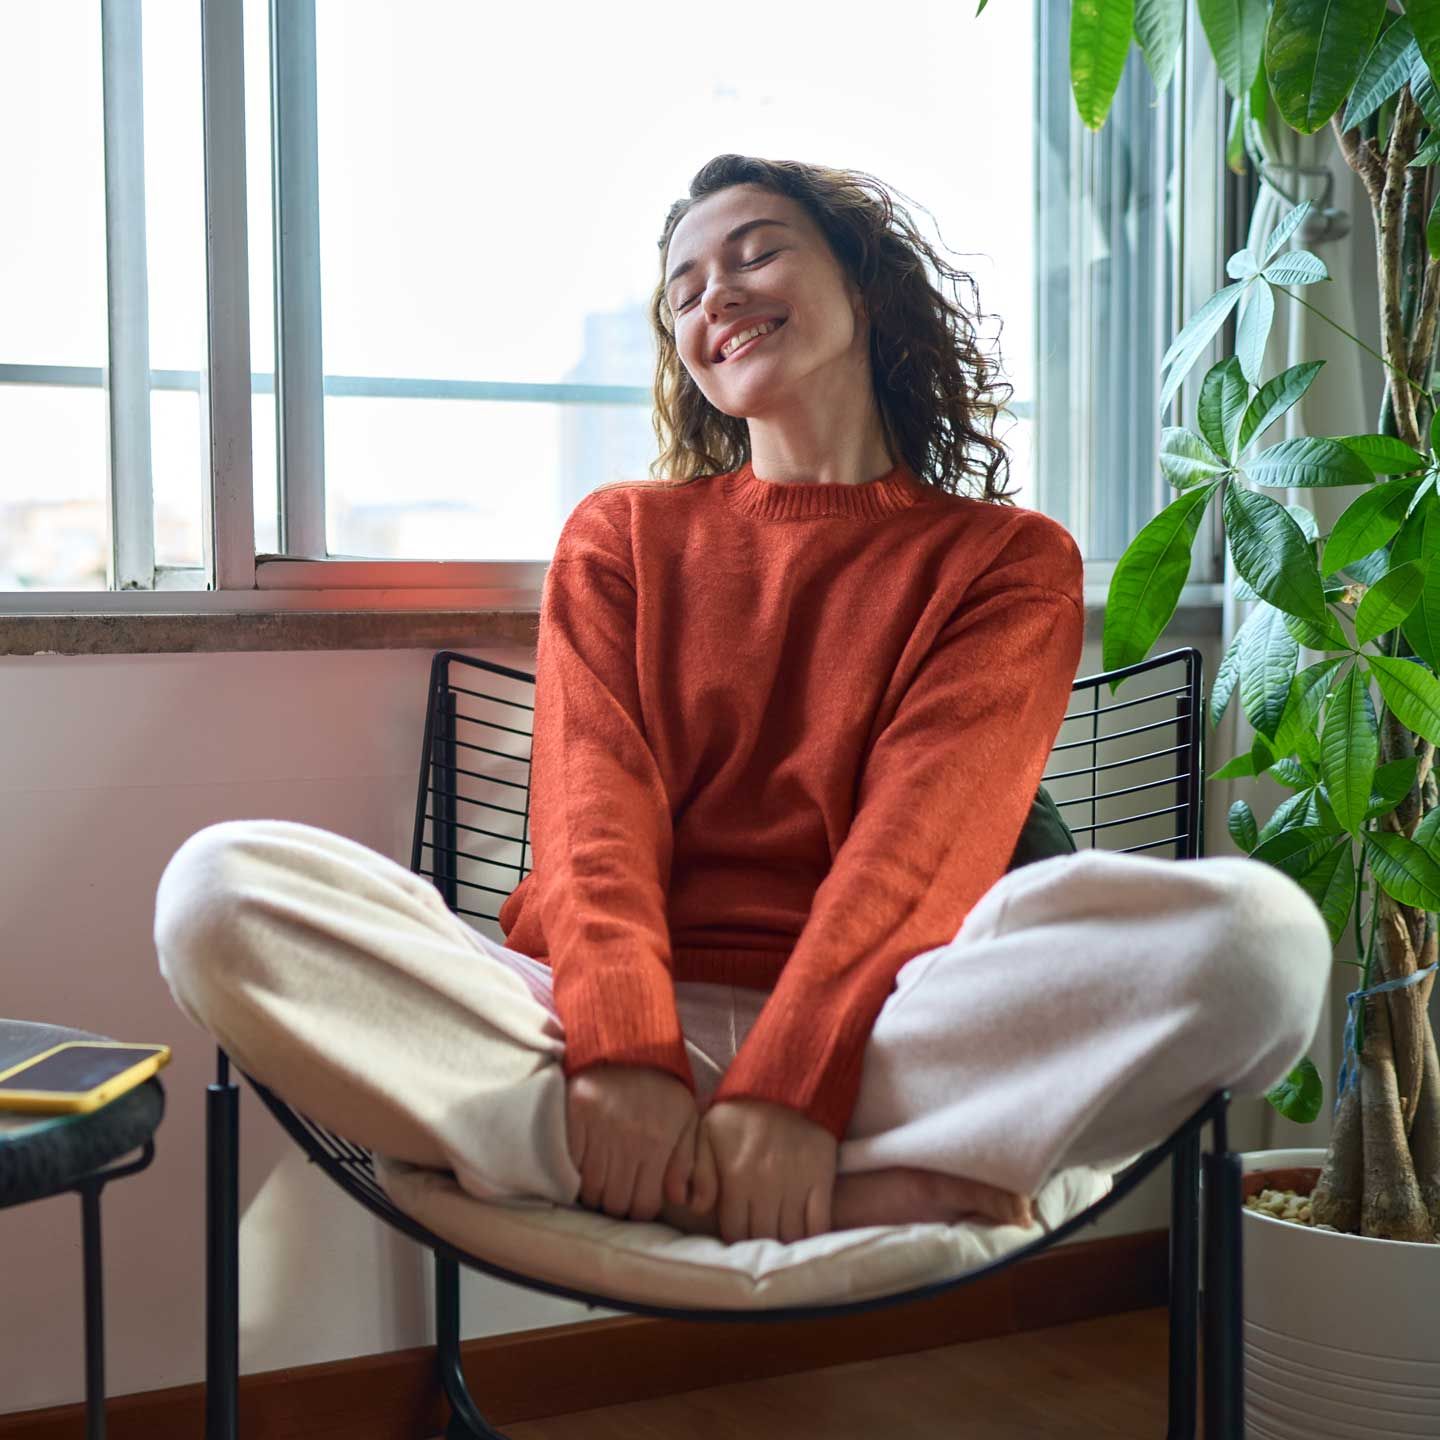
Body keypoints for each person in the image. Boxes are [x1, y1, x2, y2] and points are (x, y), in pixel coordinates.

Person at [155, 155, 1333, 1249]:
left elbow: (923, 846)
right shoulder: (623, 533)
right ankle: (841, 1185)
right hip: (576, 1031)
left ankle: (588, 1165)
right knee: (219, 889)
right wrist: (627, 1053)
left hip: (885, 1033)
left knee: (1262, 942)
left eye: (758, 252)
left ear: (863, 286)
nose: (714, 294)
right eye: (683, 292)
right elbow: (591, 820)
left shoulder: (1006, 561)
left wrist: (792, 1085)